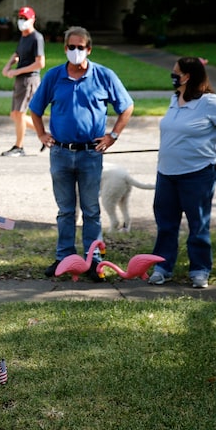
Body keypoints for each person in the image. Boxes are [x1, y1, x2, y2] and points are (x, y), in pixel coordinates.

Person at [29, 26, 134, 281]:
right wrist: (42, 134)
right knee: (65, 210)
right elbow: (35, 108)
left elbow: (127, 106)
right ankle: (64, 257)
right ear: (65, 48)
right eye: (71, 47)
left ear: (89, 49)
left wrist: (113, 136)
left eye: (81, 47)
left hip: (90, 153)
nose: (76, 51)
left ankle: (93, 260)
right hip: (61, 153)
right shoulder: (54, 76)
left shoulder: (103, 76)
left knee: (90, 209)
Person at [148, 57, 216, 289]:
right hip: (166, 174)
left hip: (198, 173)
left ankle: (200, 270)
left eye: (176, 72)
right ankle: (162, 267)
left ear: (187, 76)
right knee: (166, 224)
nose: (173, 75)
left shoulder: (209, 102)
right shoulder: (174, 99)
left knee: (198, 224)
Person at [1, 6, 45, 157]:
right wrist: (7, 66)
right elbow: (17, 55)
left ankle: (19, 147)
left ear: (33, 20)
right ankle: (47, 136)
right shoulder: (24, 37)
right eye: (20, 18)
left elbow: (40, 63)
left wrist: (17, 71)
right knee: (14, 115)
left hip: (29, 79)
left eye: (25, 18)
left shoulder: (36, 38)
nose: (22, 21)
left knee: (19, 114)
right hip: (21, 79)